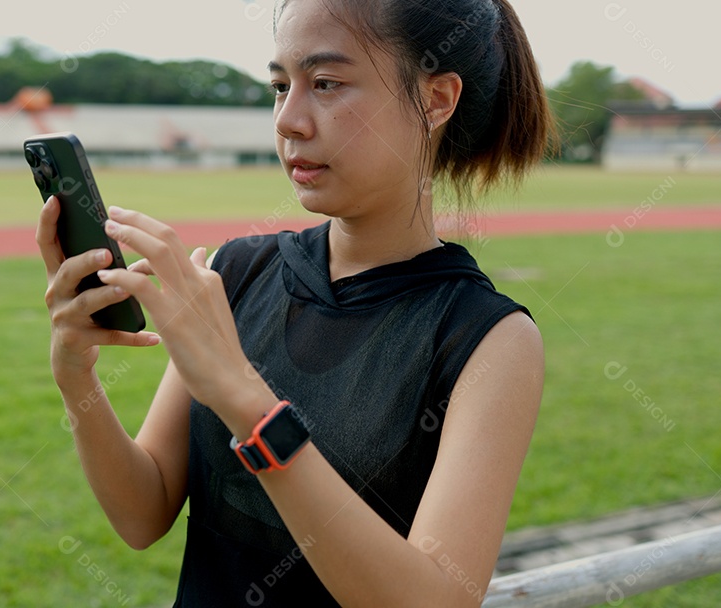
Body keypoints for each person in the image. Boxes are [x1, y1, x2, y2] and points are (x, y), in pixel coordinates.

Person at [38, 0, 552, 604]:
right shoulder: (237, 270)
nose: (288, 120)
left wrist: (247, 404)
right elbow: (142, 513)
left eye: (326, 84)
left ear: (437, 99)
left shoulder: (488, 338)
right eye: (280, 86)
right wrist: (77, 377)